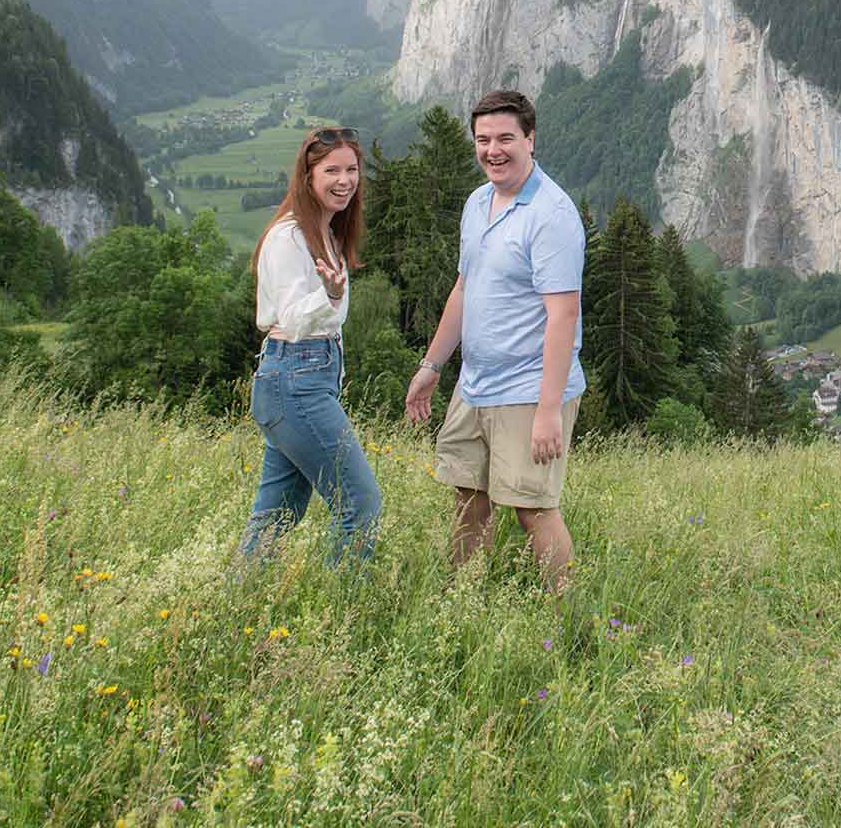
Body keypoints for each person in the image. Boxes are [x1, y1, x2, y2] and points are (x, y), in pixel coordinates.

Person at [405, 90, 585, 589]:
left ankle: (569, 622)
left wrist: (549, 409)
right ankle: (464, 605)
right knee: (468, 496)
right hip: (474, 384)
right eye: (483, 140)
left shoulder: (552, 215)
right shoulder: (478, 202)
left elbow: (563, 315)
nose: (493, 150)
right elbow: (465, 289)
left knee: (534, 509)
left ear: (530, 139)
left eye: (506, 138)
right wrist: (432, 366)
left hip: (529, 388)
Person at [237, 126, 381, 565]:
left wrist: (331, 296)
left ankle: (237, 602)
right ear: (308, 177)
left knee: (277, 515)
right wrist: (330, 295)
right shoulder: (289, 237)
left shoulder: (329, 233)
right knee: (360, 504)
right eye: (331, 170)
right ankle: (343, 614)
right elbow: (294, 319)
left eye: (352, 169)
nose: (344, 180)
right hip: (295, 377)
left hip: (303, 379)